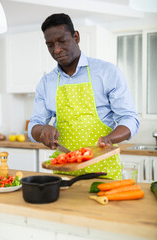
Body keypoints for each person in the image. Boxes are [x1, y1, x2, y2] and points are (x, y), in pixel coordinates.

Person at [28, 13, 139, 179]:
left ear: (76, 36)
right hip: (64, 173)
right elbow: (34, 126)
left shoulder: (107, 72)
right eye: (50, 45)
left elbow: (129, 119)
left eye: (62, 41)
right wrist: (42, 130)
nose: (56, 50)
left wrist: (109, 139)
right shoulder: (46, 82)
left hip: (104, 173)